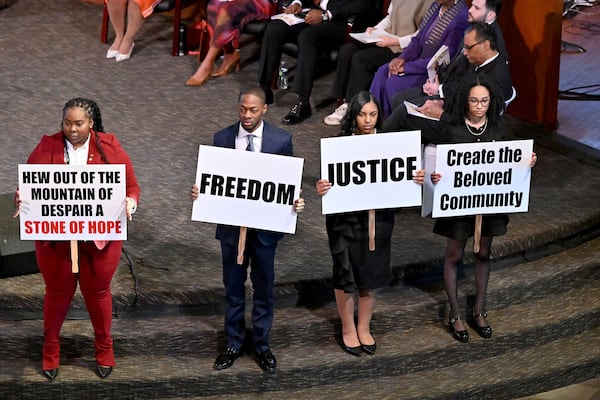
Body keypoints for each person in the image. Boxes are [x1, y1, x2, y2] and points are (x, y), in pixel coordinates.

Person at [14, 98, 140, 380]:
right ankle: (50, 350)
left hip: (99, 244)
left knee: (98, 296)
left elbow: (131, 185)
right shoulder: (48, 145)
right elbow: (28, 187)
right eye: (67, 123)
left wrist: (130, 202)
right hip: (57, 244)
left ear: (91, 123)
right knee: (57, 297)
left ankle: (104, 349)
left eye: (79, 123)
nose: (72, 129)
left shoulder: (108, 146)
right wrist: (22, 198)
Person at [190, 86, 305, 373]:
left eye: (253, 110)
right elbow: (213, 181)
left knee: (264, 289)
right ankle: (233, 342)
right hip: (231, 230)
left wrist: (296, 200)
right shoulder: (222, 138)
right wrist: (200, 192)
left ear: (265, 108)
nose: (247, 115)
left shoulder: (281, 140)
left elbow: (287, 182)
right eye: (243, 109)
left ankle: (262, 345)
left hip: (266, 230)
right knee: (232, 288)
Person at [427, 78, 537, 342]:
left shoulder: (498, 125)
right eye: (474, 100)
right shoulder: (451, 127)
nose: (479, 106)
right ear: (466, 100)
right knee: (454, 254)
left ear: (492, 102)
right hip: (457, 203)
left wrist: (527, 161)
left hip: (488, 202)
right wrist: (435, 177)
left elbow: (507, 161)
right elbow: (435, 159)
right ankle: (455, 314)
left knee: (484, 252)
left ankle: (479, 310)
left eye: (484, 101)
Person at [316, 91, 424, 356]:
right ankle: (347, 328)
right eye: (362, 114)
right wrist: (323, 186)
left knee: (371, 274)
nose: (367, 120)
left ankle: (364, 327)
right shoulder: (340, 144)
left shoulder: (390, 145)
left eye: (373, 114)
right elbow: (330, 181)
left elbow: (399, 183)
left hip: (379, 220)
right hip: (345, 222)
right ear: (353, 115)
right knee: (346, 273)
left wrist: (414, 180)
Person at [382, 22, 512, 140]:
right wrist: (442, 100)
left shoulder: (496, 78)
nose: (465, 52)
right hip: (452, 110)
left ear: (486, 45)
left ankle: (377, 145)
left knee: (404, 113)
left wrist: (441, 114)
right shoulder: (479, 61)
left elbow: (479, 123)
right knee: (402, 104)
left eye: (468, 48)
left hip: (460, 132)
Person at [256, 0, 372, 124]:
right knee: (274, 28)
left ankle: (303, 103)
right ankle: (264, 89)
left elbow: (363, 3)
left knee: (307, 36)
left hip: (337, 22)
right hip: (307, 13)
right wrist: (298, 3)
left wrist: (326, 14)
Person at [322, 0, 433, 126]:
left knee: (361, 58)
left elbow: (420, 37)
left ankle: (352, 106)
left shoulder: (430, 3)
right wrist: (376, 29)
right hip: (387, 38)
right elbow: (390, 18)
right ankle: (341, 99)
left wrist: (395, 41)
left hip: (403, 49)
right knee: (347, 50)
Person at [388, 0, 508, 112]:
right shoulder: (475, 27)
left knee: (401, 107)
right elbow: (457, 62)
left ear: (490, 15)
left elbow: (471, 81)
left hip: (458, 100)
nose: (470, 10)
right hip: (446, 85)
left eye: (476, 8)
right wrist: (436, 81)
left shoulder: (491, 44)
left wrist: (440, 89)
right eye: (471, 5)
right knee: (398, 99)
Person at [368, 0, 468, 119]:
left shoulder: (460, 18)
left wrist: (405, 68)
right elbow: (417, 40)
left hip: (430, 72)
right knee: (382, 72)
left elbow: (441, 59)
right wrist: (401, 59)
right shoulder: (435, 6)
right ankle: (372, 119)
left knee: (392, 83)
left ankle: (389, 125)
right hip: (416, 60)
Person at [185, 0, 274, 86]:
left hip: (261, 3)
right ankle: (229, 54)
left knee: (227, 11)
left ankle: (207, 64)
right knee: (213, 6)